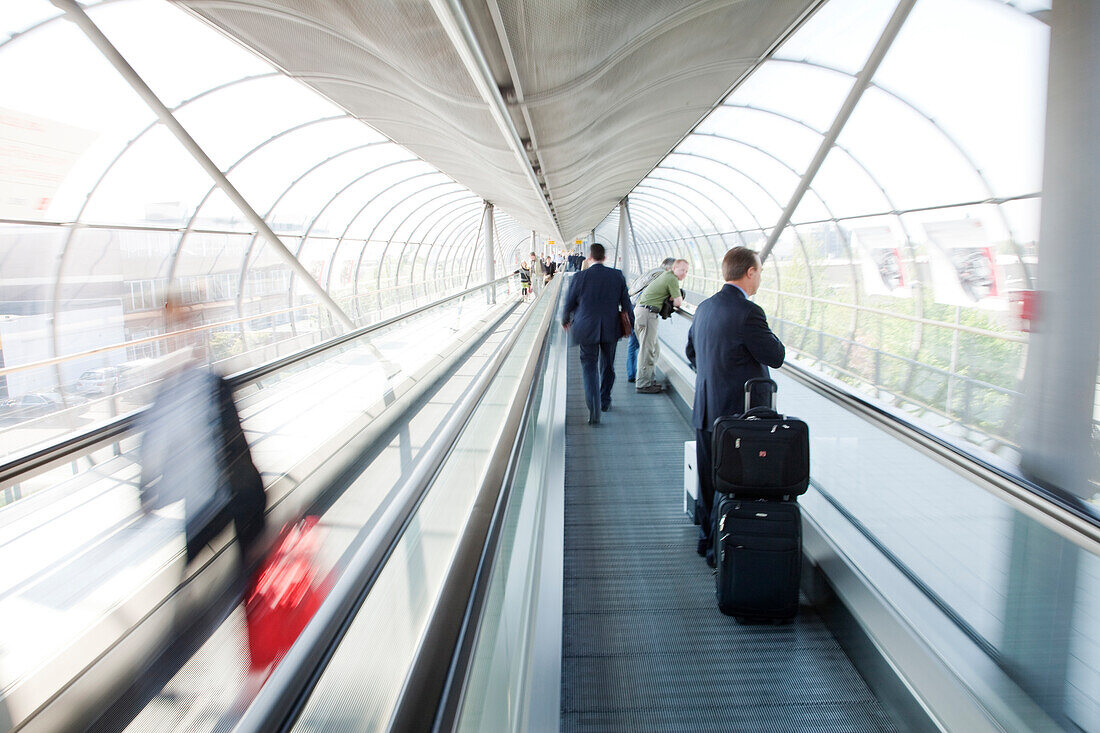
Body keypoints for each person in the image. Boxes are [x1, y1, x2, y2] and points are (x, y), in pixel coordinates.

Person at [686, 246, 784, 566]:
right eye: (760, 272)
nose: (760, 279)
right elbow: (775, 356)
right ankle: (718, 554)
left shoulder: (704, 308)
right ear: (750, 272)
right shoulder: (748, 312)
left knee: (708, 479)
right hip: (736, 417)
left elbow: (691, 353)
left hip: (704, 409)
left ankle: (705, 540)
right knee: (730, 483)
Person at [561, 242, 634, 425]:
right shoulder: (617, 276)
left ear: (590, 257)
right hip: (611, 327)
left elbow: (569, 303)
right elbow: (626, 304)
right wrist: (630, 325)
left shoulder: (580, 277)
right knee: (608, 365)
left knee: (589, 367)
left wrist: (565, 320)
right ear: (605, 257)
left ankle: (593, 409)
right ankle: (605, 400)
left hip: (585, 328)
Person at [633, 258, 689, 393]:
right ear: (674, 268)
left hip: (642, 312)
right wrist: (676, 297)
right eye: (682, 270)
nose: (684, 273)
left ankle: (648, 380)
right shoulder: (671, 278)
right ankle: (643, 384)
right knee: (647, 350)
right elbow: (678, 303)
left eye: (686, 271)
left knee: (653, 349)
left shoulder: (666, 276)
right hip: (648, 314)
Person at [627, 257, 676, 383]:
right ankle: (643, 379)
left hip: (634, 308)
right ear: (669, 267)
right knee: (648, 348)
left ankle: (632, 374)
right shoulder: (662, 276)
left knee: (634, 344)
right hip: (644, 312)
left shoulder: (650, 273)